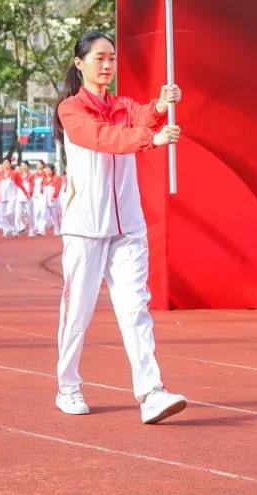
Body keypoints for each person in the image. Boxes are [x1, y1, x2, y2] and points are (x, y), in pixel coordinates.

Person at [52, 31, 186, 424]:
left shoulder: (123, 106)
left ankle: (151, 392)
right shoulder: (71, 110)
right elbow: (103, 138)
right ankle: (68, 386)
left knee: (135, 309)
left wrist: (160, 105)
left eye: (111, 58)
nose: (107, 65)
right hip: (85, 228)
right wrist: (152, 138)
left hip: (128, 226)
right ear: (79, 63)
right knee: (77, 312)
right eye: (99, 58)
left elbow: (141, 115)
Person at [0, 159, 17, 237]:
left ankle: (13, 228)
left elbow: (20, 184)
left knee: (9, 213)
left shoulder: (14, 173)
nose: (5, 165)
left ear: (10, 164)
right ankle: (6, 231)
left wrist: (26, 193)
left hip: (11, 197)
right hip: (2, 197)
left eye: (7, 163)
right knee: (2, 215)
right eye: (4, 163)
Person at [31, 160, 49, 236]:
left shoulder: (45, 173)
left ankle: (42, 229)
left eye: (39, 164)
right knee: (36, 212)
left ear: (43, 165)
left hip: (43, 194)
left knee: (43, 212)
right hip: (35, 195)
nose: (38, 165)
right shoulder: (34, 175)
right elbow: (31, 184)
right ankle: (37, 227)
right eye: (37, 164)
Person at [46, 164, 64, 236]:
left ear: (53, 170)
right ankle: (55, 227)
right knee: (50, 215)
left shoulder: (57, 178)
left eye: (49, 170)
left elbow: (58, 188)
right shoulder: (45, 178)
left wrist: (54, 196)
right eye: (46, 170)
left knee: (56, 214)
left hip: (55, 199)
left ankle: (58, 229)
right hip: (46, 199)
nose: (47, 172)